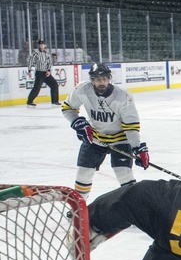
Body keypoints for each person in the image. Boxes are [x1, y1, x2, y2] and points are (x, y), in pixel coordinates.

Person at [61, 62, 149, 198]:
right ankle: (79, 206)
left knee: (123, 173)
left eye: (104, 79)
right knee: (83, 172)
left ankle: (133, 205)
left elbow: (131, 127)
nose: (101, 82)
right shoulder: (83, 90)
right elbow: (67, 108)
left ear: (109, 79)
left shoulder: (122, 97)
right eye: (97, 79)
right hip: (95, 137)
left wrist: (137, 148)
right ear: (92, 80)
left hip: (120, 139)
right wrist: (77, 122)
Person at [26, 39, 59, 107]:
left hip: (46, 73)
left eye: (42, 44)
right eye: (40, 44)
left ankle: (55, 101)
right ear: (38, 45)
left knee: (54, 84)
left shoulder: (47, 54)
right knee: (37, 87)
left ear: (45, 45)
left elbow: (50, 62)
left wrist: (49, 70)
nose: (41, 46)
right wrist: (29, 70)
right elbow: (30, 61)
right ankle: (30, 101)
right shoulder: (36, 53)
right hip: (39, 73)